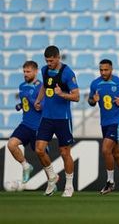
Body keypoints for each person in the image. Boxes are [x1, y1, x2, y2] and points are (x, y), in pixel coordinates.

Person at [34, 45, 80, 197]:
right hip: (47, 117)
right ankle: (52, 177)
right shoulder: (44, 70)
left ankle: (68, 185)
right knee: (39, 149)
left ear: (58, 57)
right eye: (47, 60)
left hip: (62, 118)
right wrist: (39, 100)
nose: (49, 63)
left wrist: (61, 94)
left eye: (51, 61)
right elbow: (44, 86)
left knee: (65, 152)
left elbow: (76, 96)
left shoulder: (67, 73)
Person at [88, 59, 119, 196]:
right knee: (116, 153)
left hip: (118, 121)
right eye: (101, 70)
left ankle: (110, 182)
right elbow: (90, 101)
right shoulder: (95, 83)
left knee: (105, 149)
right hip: (105, 122)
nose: (103, 72)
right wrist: (93, 101)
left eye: (106, 70)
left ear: (111, 69)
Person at [7, 61, 42, 184]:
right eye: (24, 72)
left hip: (38, 127)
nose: (25, 74)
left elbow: (41, 107)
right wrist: (21, 105)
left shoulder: (41, 87)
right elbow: (26, 102)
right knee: (11, 144)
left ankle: (51, 179)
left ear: (36, 71)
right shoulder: (22, 86)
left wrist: (31, 99)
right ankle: (26, 166)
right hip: (25, 124)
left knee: (42, 155)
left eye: (28, 72)